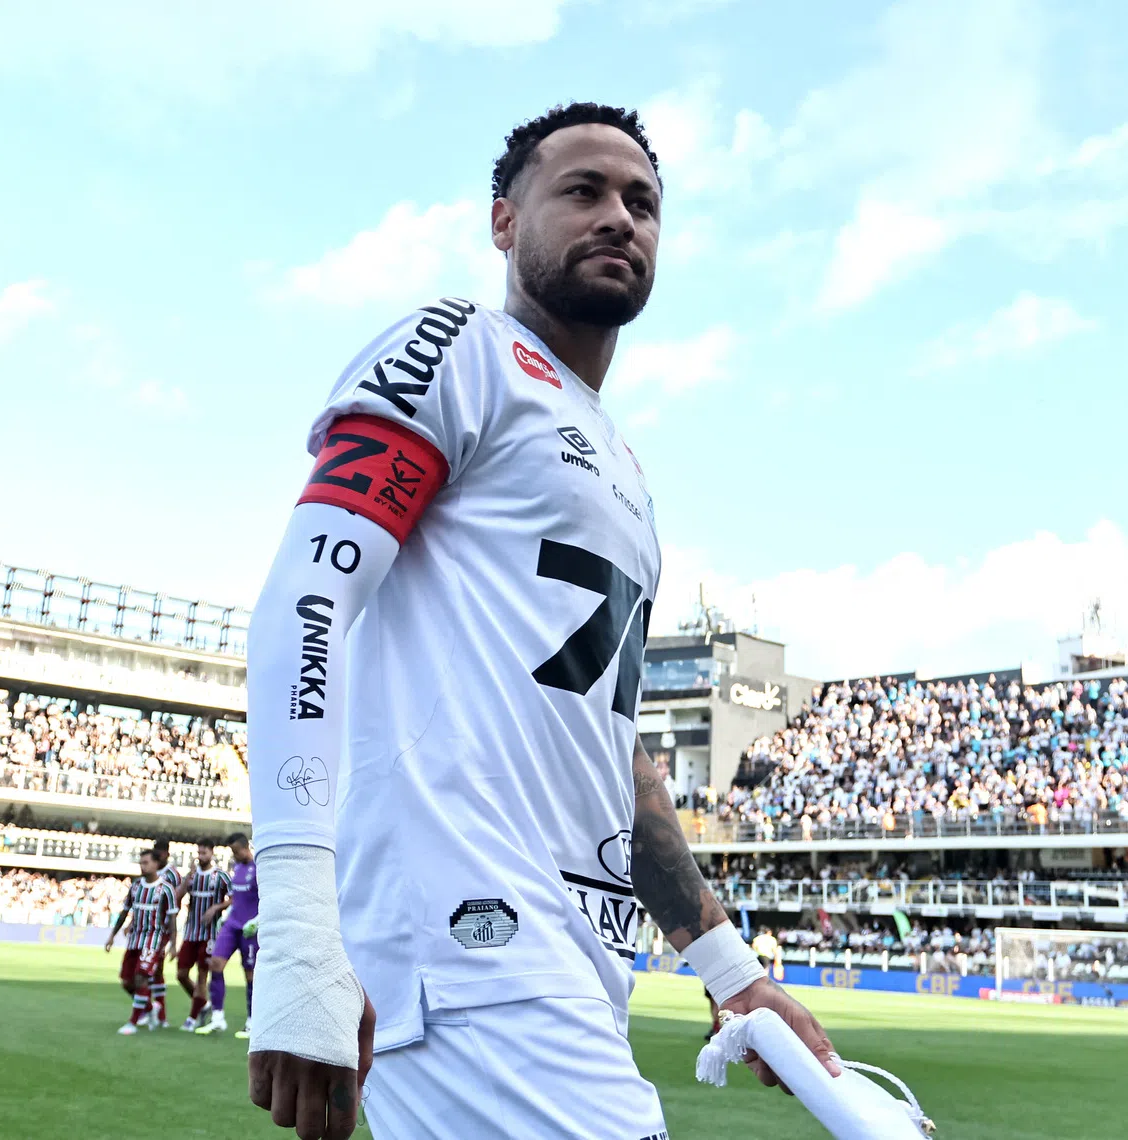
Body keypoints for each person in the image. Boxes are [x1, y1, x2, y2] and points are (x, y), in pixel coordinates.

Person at [245, 101, 838, 1140]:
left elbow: (612, 751)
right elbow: (309, 595)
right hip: (466, 945)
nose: (620, 217)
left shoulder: (625, 470)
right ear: (504, 223)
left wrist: (729, 968)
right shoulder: (463, 349)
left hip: (576, 963)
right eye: (583, 191)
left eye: (643, 202)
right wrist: (296, 919)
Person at [105, 849, 177, 1035]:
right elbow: (125, 912)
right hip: (134, 940)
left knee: (141, 978)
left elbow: (172, 918)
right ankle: (151, 1007)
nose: (142, 866)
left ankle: (133, 1022)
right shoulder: (136, 886)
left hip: (153, 940)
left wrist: (173, 944)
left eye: (146, 862)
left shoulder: (166, 889)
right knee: (126, 982)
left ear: (156, 864)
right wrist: (112, 935)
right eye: (141, 863)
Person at [196, 832, 258, 1038]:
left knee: (250, 975)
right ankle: (217, 1019)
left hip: (250, 929)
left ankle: (252, 1022)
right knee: (215, 964)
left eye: (236, 851)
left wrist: (258, 921)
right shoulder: (237, 868)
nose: (234, 855)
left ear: (245, 847)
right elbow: (236, 898)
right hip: (231, 925)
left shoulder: (260, 868)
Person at [174, 837, 232, 1031]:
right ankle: (204, 1004)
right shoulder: (192, 875)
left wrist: (216, 907)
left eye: (204, 852)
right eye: (199, 852)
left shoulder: (221, 876)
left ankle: (192, 1018)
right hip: (191, 932)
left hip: (210, 935)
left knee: (201, 975)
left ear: (212, 853)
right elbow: (177, 896)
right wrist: (187, 878)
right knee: (181, 974)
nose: (200, 856)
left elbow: (234, 898)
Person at [150, 838, 182, 1027]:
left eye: (160, 851)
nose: (157, 854)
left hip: (162, 928)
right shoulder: (152, 871)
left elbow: (176, 901)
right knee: (149, 970)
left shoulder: (173, 875)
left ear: (167, 854)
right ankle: (151, 1010)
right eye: (155, 850)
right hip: (147, 927)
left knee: (156, 968)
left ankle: (159, 1014)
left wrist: (172, 935)